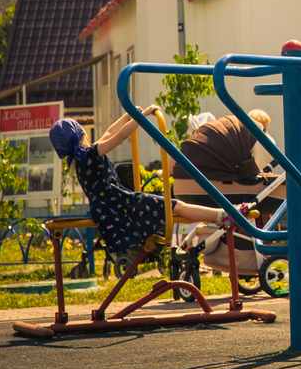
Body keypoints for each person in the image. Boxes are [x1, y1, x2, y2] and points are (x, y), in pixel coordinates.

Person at [49, 111, 251, 263]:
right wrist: (141, 117)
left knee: (173, 209)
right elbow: (118, 137)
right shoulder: (92, 154)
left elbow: (110, 132)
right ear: (81, 134)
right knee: (175, 206)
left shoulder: (80, 160)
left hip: (110, 208)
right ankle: (224, 215)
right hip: (121, 203)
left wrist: (127, 115)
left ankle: (220, 216)